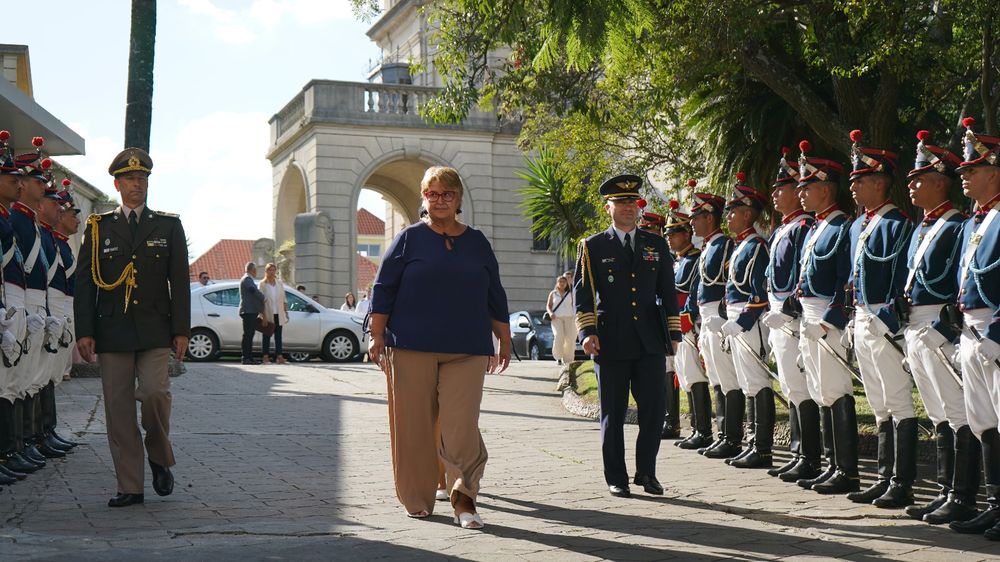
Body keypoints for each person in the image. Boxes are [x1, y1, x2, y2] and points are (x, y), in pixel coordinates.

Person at [367, 166, 511, 530]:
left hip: (467, 347)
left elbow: (494, 293)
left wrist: (505, 338)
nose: (440, 200)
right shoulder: (407, 240)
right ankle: (417, 498)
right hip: (411, 345)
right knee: (413, 424)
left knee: (461, 425)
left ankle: (464, 498)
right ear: (423, 198)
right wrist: (376, 334)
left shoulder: (477, 242)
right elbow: (383, 289)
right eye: (432, 194)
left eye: (447, 193)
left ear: (459, 198)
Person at [75, 147, 190, 508]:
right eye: (129, 179)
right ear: (117, 184)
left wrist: (182, 330)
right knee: (119, 409)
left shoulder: (168, 226)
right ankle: (131, 486)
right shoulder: (98, 228)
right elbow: (84, 285)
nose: (136, 184)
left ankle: (158, 456)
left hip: (156, 328)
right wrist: (85, 330)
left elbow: (180, 283)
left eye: (142, 178)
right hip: (112, 331)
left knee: (156, 393)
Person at [879, 129, 980, 524]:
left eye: (919, 179)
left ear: (940, 181)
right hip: (916, 326)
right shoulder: (923, 227)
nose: (913, 185)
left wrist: (947, 330)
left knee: (959, 411)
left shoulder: (956, 227)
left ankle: (963, 494)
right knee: (939, 411)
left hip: (942, 326)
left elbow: (960, 281)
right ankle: (945, 490)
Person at [574, 174, 681, 498]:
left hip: (649, 341)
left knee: (653, 411)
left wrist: (673, 333)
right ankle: (616, 477)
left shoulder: (655, 244)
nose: (627, 209)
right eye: (620, 203)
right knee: (613, 415)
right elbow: (584, 294)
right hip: (611, 341)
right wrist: (587, 332)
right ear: (608, 207)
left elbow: (668, 291)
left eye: (632, 203)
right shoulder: (593, 246)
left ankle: (647, 473)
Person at [843, 130, 916, 506]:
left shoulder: (897, 224)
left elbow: (900, 274)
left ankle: (902, 481)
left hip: (884, 323)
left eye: (860, 181)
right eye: (853, 181)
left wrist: (889, 317)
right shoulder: (858, 225)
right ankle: (884, 476)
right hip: (861, 319)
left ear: (879, 183)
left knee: (898, 399)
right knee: (877, 402)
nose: (853, 187)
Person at [793, 140, 859, 495]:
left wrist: (832, 319)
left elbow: (843, 278)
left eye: (806, 188)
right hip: (809, 314)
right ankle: (832, 464)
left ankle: (847, 470)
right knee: (820, 391)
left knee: (835, 389)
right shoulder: (816, 228)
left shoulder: (841, 227)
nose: (800, 194)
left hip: (826, 318)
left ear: (824, 188)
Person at [949, 117, 1000, 538]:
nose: (963, 176)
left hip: (995, 330)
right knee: (983, 419)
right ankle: (994, 503)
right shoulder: (974, 221)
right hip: (971, 329)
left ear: (995, 172)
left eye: (972, 170)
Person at [760, 147, 820, 482]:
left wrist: (789, 309)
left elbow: (801, 272)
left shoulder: (802, 227)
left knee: (802, 386)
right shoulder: (784, 228)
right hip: (777, 313)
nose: (778, 194)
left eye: (783, 188)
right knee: (790, 385)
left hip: (792, 315)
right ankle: (799, 451)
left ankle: (809, 455)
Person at [715, 173, 774, 469]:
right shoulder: (740, 246)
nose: (729, 217)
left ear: (748, 214)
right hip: (737, 319)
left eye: (734, 211)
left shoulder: (756, 247)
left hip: (750, 322)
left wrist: (743, 321)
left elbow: (759, 293)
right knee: (746, 382)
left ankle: (762, 447)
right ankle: (752, 442)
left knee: (757, 381)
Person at [685, 185, 740, 459]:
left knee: (728, 378)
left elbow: (726, 284)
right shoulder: (708, 247)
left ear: (709, 217)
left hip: (719, 316)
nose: (692, 222)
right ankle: (722, 435)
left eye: (696, 216)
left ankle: (732, 437)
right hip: (706, 318)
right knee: (717, 377)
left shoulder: (724, 244)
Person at [0, 131, 38, 481]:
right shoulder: (11, 220)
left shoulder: (11, 218)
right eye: (11, 178)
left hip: (16, 300)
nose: (17, 183)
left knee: (17, 378)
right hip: (8, 299)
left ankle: (15, 447)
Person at [664, 200, 713, 450]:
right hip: (676, 324)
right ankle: (695, 427)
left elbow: (692, 292)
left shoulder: (694, 259)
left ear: (686, 234)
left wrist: (688, 317)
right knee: (685, 375)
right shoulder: (678, 260)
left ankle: (703, 430)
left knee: (695, 375)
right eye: (668, 235)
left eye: (674, 234)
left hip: (689, 324)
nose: (670, 239)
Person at [639, 211, 682, 439]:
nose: (646, 236)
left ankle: (672, 421)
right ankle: (667, 418)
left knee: (672, 370)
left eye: (651, 231)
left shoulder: (667, 258)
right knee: (663, 371)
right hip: (655, 320)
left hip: (667, 320)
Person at [258, 263, 288, 365]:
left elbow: (284, 298)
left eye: (274, 270)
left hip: (278, 313)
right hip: (268, 313)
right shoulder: (262, 284)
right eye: (270, 270)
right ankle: (265, 357)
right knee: (266, 335)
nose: (272, 272)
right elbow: (260, 301)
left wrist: (286, 312)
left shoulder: (279, 283)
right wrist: (263, 316)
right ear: (266, 271)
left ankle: (279, 357)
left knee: (278, 336)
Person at [238, 262, 266, 366]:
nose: (256, 272)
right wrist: (263, 297)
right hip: (248, 311)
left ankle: (249, 357)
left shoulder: (247, 279)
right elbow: (252, 290)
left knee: (249, 335)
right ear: (253, 270)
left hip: (250, 310)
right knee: (248, 335)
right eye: (255, 270)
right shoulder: (247, 279)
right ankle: (246, 358)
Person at [546, 274, 574, 366]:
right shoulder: (553, 293)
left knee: (569, 339)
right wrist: (550, 313)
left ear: (566, 283)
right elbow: (548, 306)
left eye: (564, 282)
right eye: (560, 282)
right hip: (556, 318)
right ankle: (558, 357)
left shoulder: (571, 293)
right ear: (557, 283)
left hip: (570, 318)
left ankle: (568, 360)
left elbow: (575, 305)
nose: (562, 283)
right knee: (559, 336)